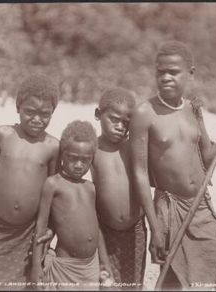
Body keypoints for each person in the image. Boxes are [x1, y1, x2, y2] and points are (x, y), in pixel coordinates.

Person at [129, 40, 216, 290]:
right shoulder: (145, 113)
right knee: (172, 276)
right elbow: (139, 173)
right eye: (160, 71)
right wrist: (155, 227)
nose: (165, 77)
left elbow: (209, 160)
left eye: (173, 72)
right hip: (169, 209)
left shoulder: (193, 110)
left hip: (200, 205)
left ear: (190, 74)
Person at [0, 74, 60, 290]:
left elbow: (54, 190)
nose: (37, 119)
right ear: (18, 107)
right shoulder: (3, 135)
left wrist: (51, 228)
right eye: (30, 112)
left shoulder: (52, 146)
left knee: (29, 284)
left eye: (45, 114)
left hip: (31, 230)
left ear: (52, 113)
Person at [30, 120, 111, 291]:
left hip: (91, 265)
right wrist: (36, 266)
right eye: (73, 158)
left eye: (85, 160)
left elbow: (97, 228)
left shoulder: (90, 187)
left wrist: (104, 262)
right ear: (62, 155)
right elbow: (41, 226)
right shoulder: (53, 184)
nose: (79, 165)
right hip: (66, 266)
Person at [91, 88, 147, 290]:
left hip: (136, 231)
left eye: (126, 123)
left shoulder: (133, 148)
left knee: (133, 283)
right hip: (104, 232)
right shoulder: (91, 151)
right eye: (114, 119)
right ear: (98, 115)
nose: (120, 127)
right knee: (106, 284)